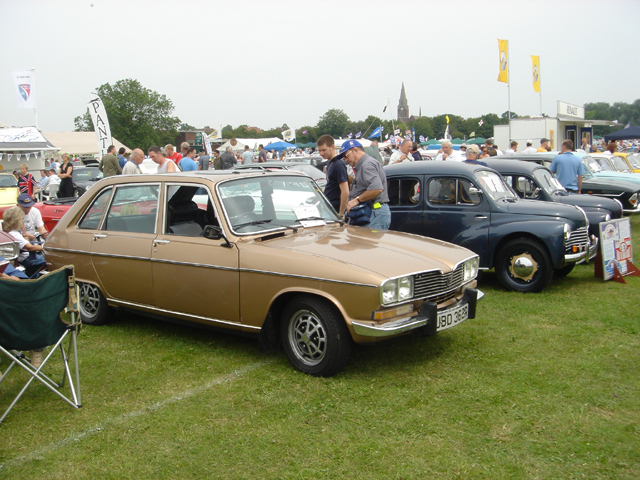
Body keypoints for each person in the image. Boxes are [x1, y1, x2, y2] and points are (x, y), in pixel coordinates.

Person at [339, 139, 391, 230]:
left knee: (369, 239)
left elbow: (376, 188)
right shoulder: (365, 163)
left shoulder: (367, 165)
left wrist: (356, 200)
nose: (346, 160)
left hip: (374, 212)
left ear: (355, 150)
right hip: (373, 212)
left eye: (346, 155)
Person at [3, 206, 46, 278]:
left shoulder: (8, 232)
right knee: (50, 259)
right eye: (21, 220)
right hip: (26, 259)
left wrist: (24, 232)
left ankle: (32, 275)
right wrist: (45, 247)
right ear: (17, 221)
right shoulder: (15, 234)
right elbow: (30, 247)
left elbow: (25, 243)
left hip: (20, 258)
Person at [318, 135, 348, 216]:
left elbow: (345, 192)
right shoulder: (330, 162)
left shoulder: (338, 165)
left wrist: (341, 213)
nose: (321, 153)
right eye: (319, 150)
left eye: (324, 150)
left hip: (335, 210)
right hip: (328, 208)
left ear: (332, 147)